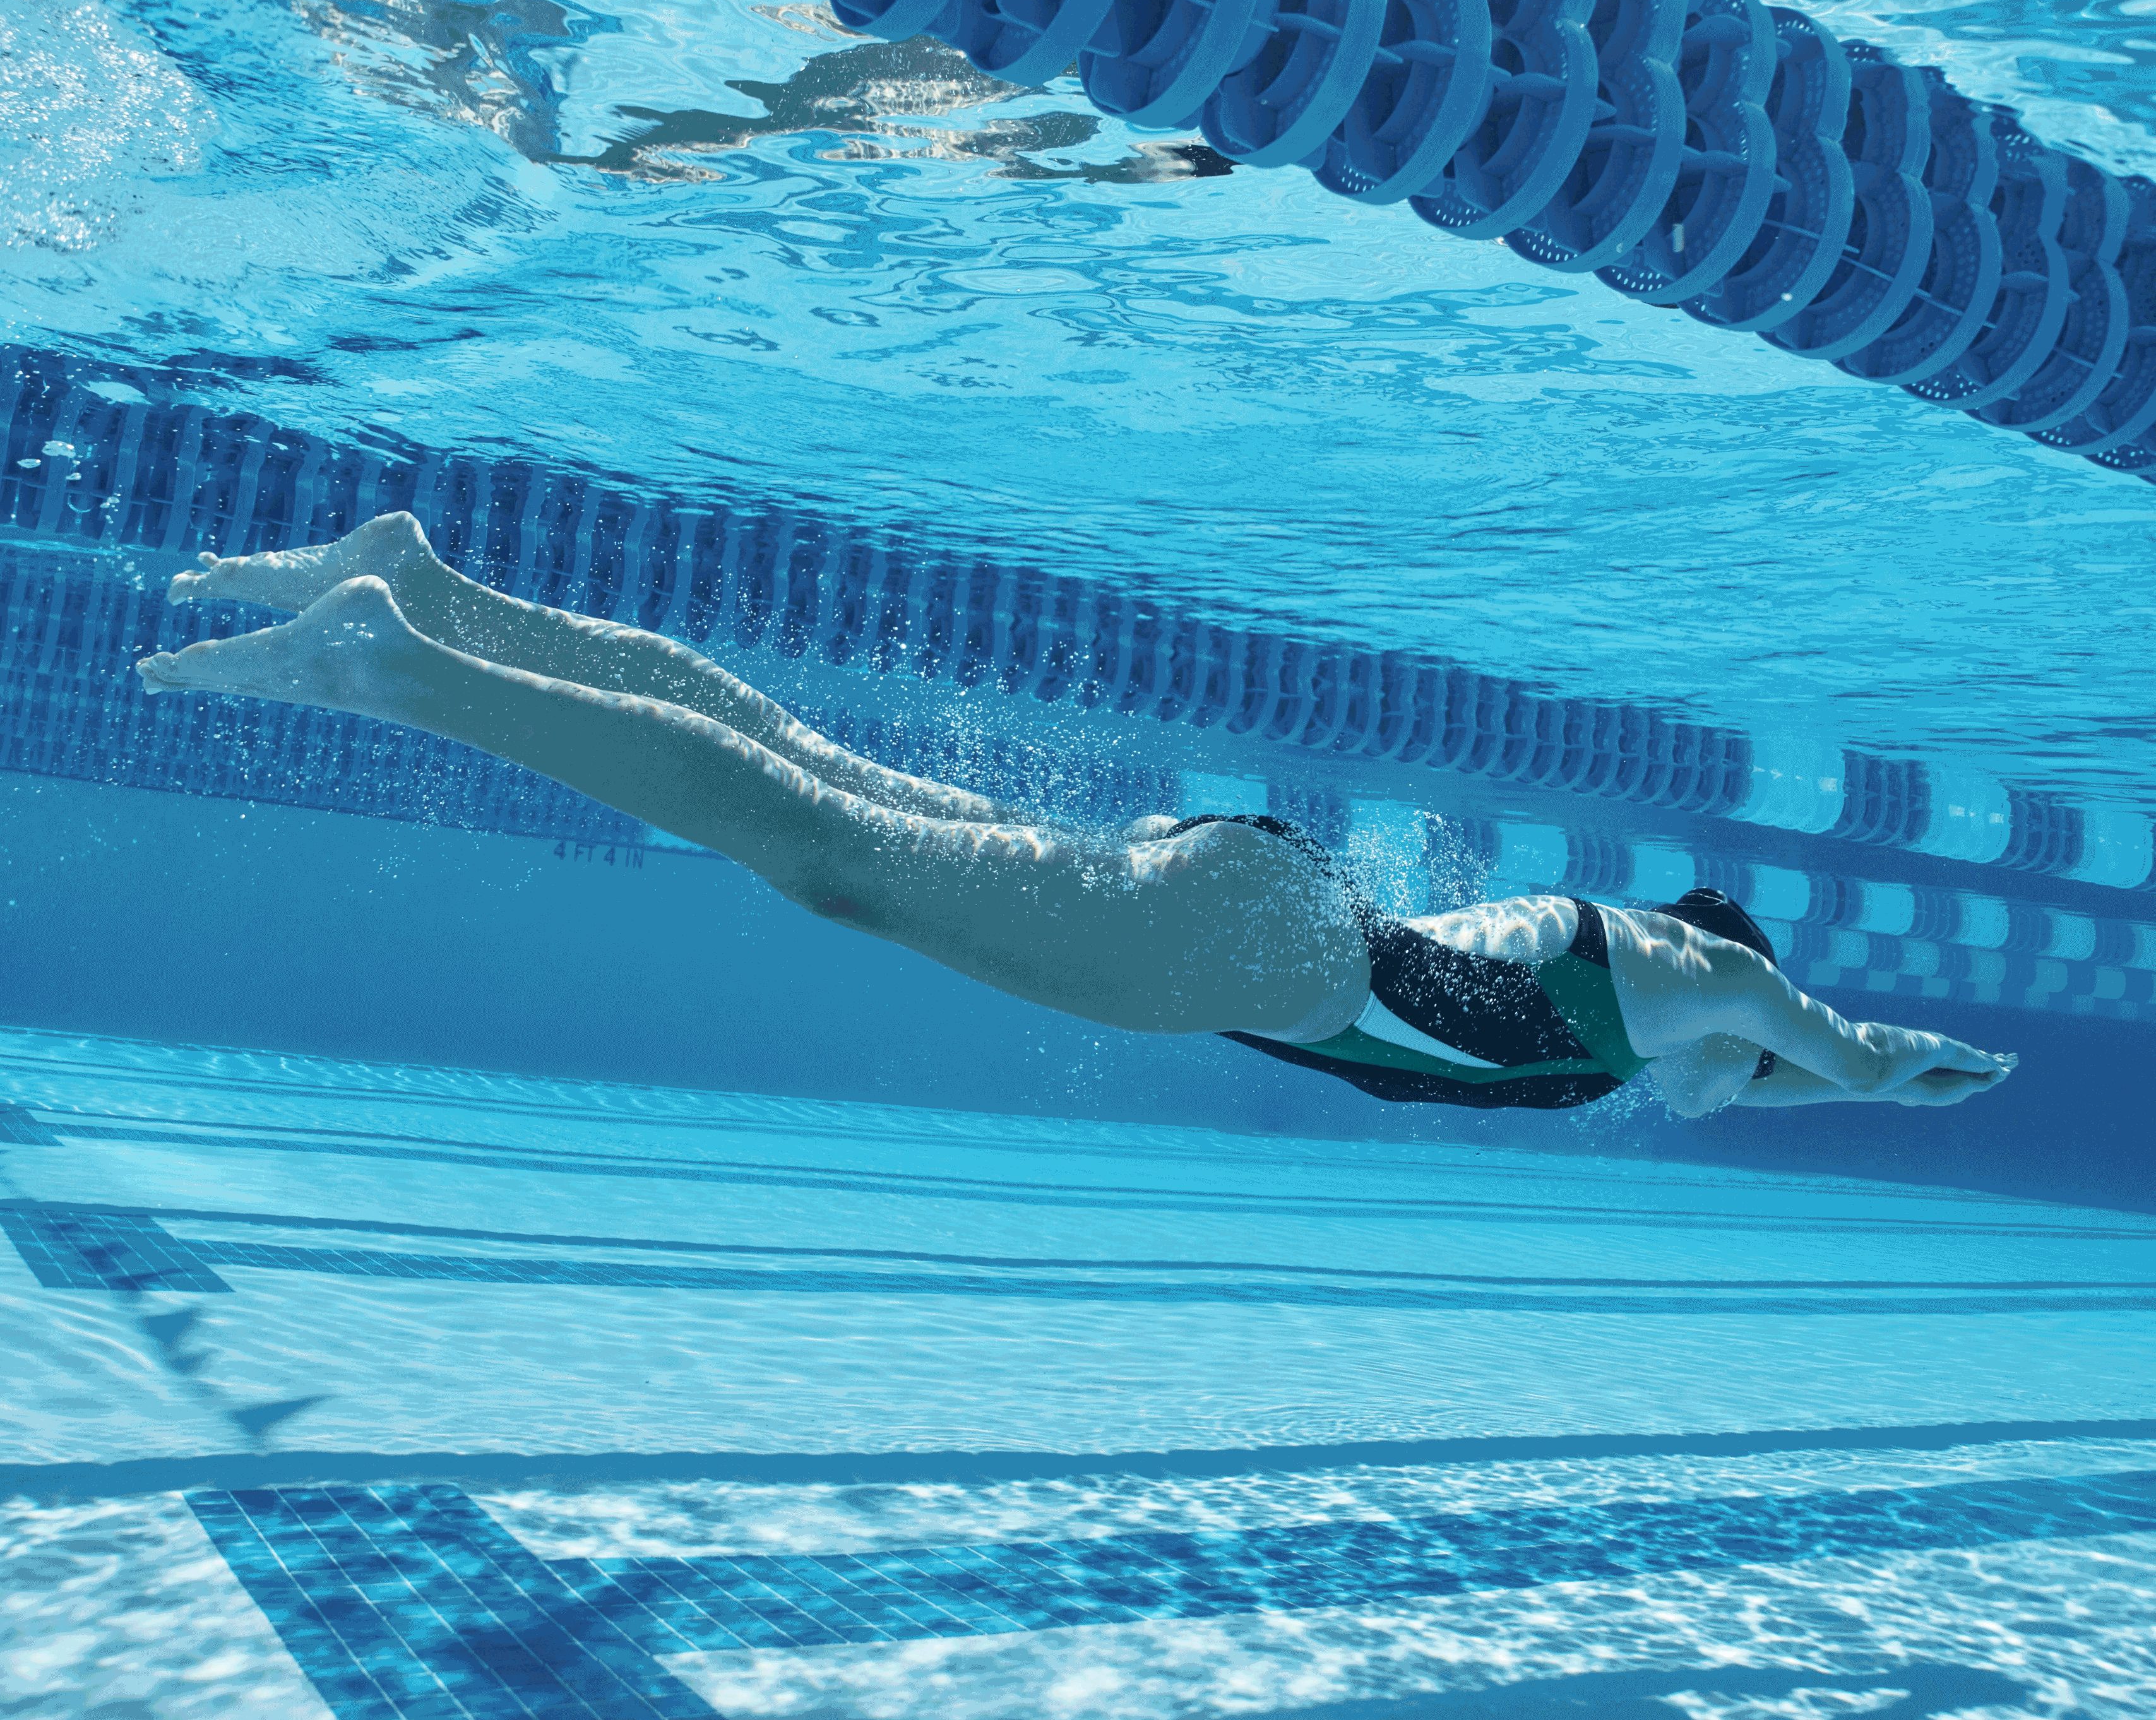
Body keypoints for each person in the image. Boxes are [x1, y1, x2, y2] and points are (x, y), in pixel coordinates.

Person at [140, 514, 2016, 1121]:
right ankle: (401, 658)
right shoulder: (1707, 981)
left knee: (828, 788)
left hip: (1258, 914)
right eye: (1743, 1064)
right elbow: (1850, 1048)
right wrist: (1901, 1071)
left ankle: (439, 592)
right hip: (1249, 950)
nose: (1730, 1089)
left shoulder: (1630, 971)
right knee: (827, 855)